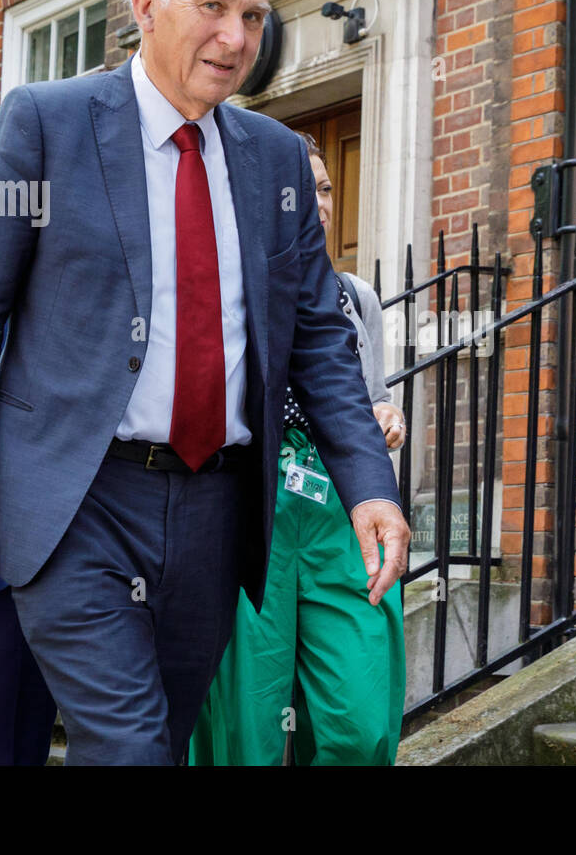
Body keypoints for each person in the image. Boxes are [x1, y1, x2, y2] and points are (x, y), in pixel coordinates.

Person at [0, 0, 409, 765]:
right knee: (132, 748)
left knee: (163, 743)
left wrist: (369, 483)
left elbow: (321, 341)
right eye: (213, 6)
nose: (235, 35)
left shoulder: (278, 160)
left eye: (253, 16)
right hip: (78, 502)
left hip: (217, 507)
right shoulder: (44, 125)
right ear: (145, 5)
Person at [190, 133, 407, 766]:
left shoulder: (355, 296)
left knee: (360, 718)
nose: (318, 199)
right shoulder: (227, 287)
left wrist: (385, 415)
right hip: (250, 498)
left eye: (326, 187)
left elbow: (366, 394)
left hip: (338, 507)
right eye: (303, 187)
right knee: (243, 724)